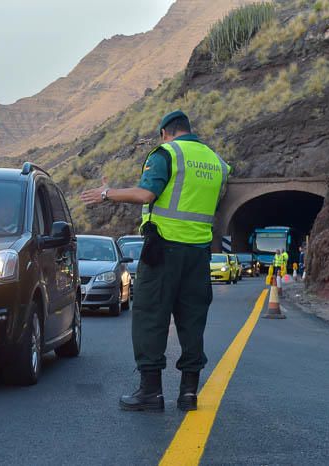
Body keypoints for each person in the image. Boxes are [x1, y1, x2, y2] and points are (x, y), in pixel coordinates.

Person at [80, 110, 231, 412]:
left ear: (166, 132)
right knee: (192, 320)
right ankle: (189, 393)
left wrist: (107, 193)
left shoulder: (167, 153)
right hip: (199, 251)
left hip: (163, 250)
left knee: (150, 315)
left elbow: (147, 193)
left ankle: (151, 392)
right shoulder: (217, 163)